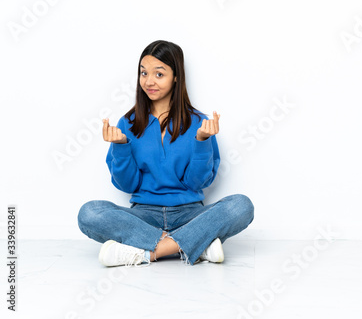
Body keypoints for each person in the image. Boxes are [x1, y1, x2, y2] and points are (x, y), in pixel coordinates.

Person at [77, 40, 254, 267]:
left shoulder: (199, 123)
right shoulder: (127, 123)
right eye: (143, 73)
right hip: (144, 217)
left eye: (159, 74)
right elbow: (127, 185)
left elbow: (197, 182)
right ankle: (195, 245)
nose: (149, 81)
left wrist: (202, 142)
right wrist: (121, 146)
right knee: (89, 213)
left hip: (190, 215)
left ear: (176, 76)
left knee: (240, 205)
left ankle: (146, 253)